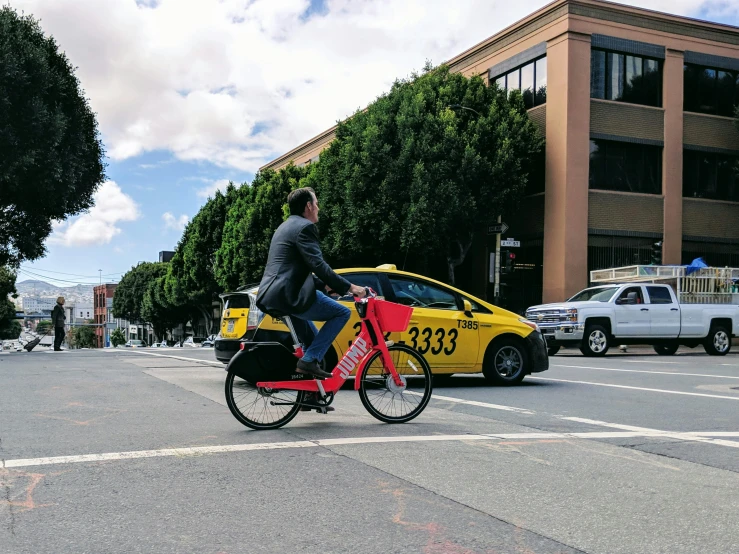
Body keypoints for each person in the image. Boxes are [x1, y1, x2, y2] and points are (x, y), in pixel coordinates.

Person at [256, 187, 366, 380]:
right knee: (342, 312)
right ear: (308, 206)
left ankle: (308, 394)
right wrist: (350, 288)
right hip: (289, 296)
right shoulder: (305, 228)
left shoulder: (284, 227)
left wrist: (324, 286)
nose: (318, 207)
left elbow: (290, 269)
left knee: (313, 345)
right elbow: (318, 265)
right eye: (316, 203)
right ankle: (307, 363)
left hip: (275, 295)